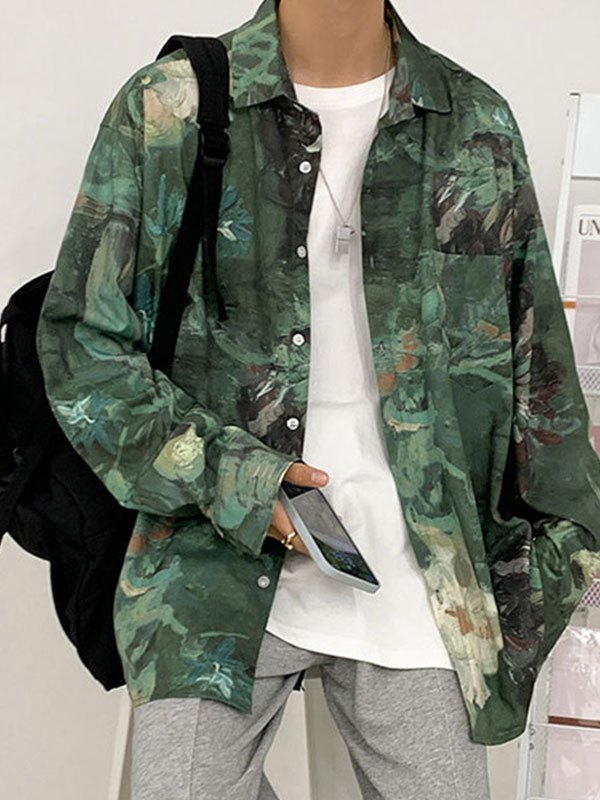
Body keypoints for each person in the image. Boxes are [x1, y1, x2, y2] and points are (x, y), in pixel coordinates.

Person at [36, 0, 600, 797]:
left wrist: (554, 563)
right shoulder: (172, 106)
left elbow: (538, 372)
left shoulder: (473, 122)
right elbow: (82, 345)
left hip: (422, 576)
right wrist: (241, 482)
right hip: (213, 562)